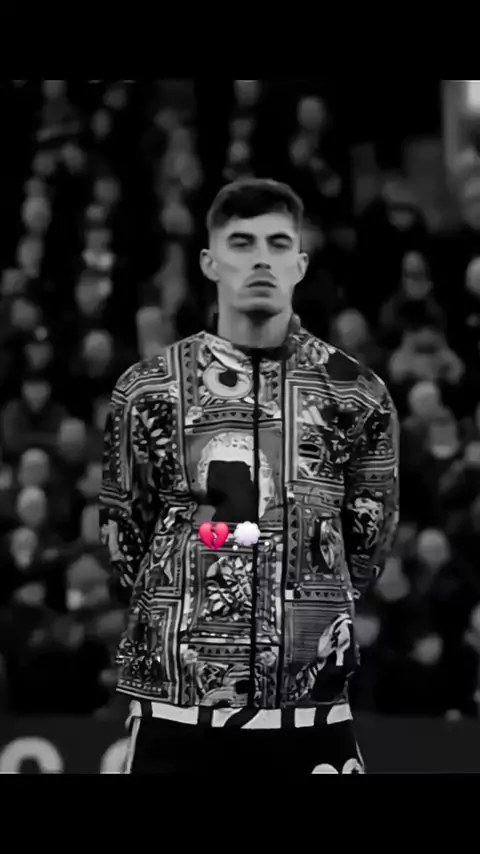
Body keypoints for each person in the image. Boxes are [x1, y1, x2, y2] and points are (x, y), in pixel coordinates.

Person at [99, 178, 399, 775]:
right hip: (175, 711)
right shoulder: (147, 389)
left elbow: (370, 542)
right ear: (209, 261)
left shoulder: (357, 393)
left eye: (277, 243)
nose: (261, 258)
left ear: (300, 264)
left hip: (313, 710)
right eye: (241, 242)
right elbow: (124, 541)